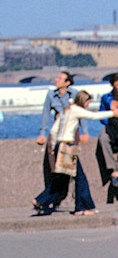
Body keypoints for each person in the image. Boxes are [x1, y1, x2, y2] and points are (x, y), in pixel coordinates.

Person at [33, 90, 118, 215]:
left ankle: (40, 200)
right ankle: (82, 207)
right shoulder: (75, 110)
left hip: (59, 146)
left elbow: (53, 130)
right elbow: (93, 116)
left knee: (62, 179)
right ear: (84, 101)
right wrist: (113, 113)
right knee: (80, 178)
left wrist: (52, 147)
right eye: (88, 103)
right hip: (68, 147)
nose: (88, 105)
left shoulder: (66, 110)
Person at [33, 71, 73, 207]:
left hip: (71, 136)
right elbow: (45, 115)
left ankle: (46, 199)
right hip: (56, 135)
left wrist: (84, 132)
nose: (56, 80)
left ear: (67, 83)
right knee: (54, 168)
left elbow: (81, 114)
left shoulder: (74, 94)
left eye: (60, 78)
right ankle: (48, 199)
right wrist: (42, 133)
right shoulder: (51, 95)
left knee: (69, 172)